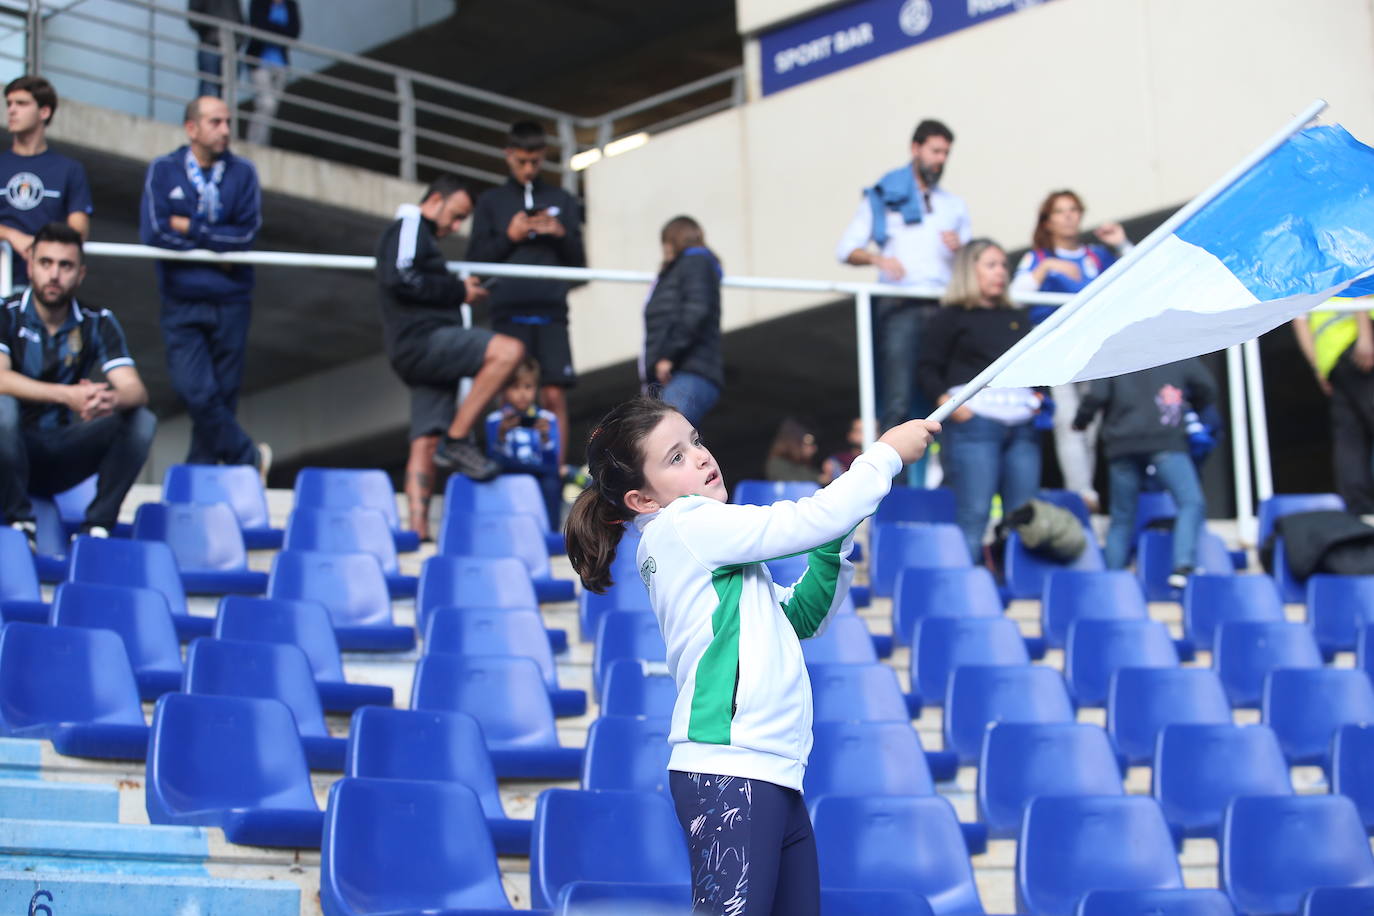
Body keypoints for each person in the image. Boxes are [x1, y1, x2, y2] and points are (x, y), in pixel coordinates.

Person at [564, 396, 939, 916]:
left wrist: (833, 544)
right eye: (674, 458)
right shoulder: (683, 526)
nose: (698, 456)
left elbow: (803, 616)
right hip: (729, 769)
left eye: (693, 441)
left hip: (773, 770)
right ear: (643, 501)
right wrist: (884, 457)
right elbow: (809, 519)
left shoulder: (716, 556)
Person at [375, 173, 525, 535]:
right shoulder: (409, 224)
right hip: (422, 341)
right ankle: (457, 440)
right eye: (455, 215)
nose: (456, 225)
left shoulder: (418, 234)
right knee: (509, 351)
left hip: (420, 350)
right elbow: (402, 275)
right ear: (435, 200)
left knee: (425, 440)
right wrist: (458, 291)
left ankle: (418, 532)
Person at [0, 223, 156, 546]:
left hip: (63, 451)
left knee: (141, 419)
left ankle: (96, 530)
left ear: (80, 274)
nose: (54, 275)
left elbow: (136, 390)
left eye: (65, 265)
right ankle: (20, 524)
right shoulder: (6, 315)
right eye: (46, 263)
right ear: (29, 266)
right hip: (12, 455)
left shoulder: (97, 320)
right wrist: (67, 395)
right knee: (2, 407)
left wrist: (109, 401)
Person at [139, 96, 267, 473]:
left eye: (228, 122)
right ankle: (248, 458)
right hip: (182, 299)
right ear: (191, 128)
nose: (226, 130)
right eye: (216, 122)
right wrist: (216, 248)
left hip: (233, 299)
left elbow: (245, 238)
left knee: (223, 396)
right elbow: (156, 232)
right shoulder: (163, 170)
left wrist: (190, 228)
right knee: (196, 390)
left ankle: (201, 475)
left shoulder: (243, 172)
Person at [836, 118, 971, 443]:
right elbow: (846, 249)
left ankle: (943, 483)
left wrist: (962, 248)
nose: (940, 159)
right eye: (935, 150)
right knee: (898, 399)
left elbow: (970, 263)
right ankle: (895, 485)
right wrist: (878, 258)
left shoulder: (953, 204)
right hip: (900, 307)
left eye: (945, 153)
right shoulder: (882, 196)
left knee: (950, 398)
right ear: (916, 148)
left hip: (945, 307)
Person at [467, 120, 585, 468]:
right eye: (522, 161)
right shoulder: (491, 202)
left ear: (544, 157)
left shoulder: (561, 199)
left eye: (535, 161)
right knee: (509, 396)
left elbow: (579, 264)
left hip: (551, 311)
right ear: (508, 156)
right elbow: (475, 262)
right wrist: (511, 235)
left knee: (553, 396)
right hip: (508, 310)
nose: (529, 169)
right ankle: (505, 469)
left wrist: (561, 233)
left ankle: (553, 473)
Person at [919, 239, 1044, 562]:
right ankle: (964, 591)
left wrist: (1040, 398)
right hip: (975, 425)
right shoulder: (951, 316)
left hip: (1022, 426)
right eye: (991, 265)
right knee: (974, 512)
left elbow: (1037, 364)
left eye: (1004, 265)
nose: (1000, 272)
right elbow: (927, 368)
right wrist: (952, 406)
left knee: (1024, 515)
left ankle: (1017, 588)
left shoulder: (1017, 316)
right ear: (969, 270)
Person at [1011, 190, 1133, 512]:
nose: (1068, 216)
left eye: (1074, 210)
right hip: (1055, 347)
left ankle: (1085, 489)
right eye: (1060, 211)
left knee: (1090, 422)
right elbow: (1015, 296)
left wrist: (1119, 242)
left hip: (1093, 345)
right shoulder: (1036, 257)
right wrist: (1047, 266)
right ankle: (1082, 493)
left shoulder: (1095, 255)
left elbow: (1136, 273)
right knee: (1066, 417)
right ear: (1047, 222)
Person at [1072, 358, 1217, 587]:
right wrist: (1190, 406)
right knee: (1191, 502)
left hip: (1123, 444)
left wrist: (1081, 420)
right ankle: (1183, 566)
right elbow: (1207, 387)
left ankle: (1112, 581)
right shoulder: (1174, 350)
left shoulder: (1118, 350)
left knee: (1122, 517)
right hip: (1165, 440)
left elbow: (1096, 396)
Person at [0, 76, 93, 290]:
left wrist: (42, 250)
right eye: (9, 104)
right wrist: (12, 236)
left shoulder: (69, 169)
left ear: (44, 112)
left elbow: (78, 230)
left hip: (46, 288)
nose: (12, 110)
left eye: (21, 104)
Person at [1293, 296, 1374, 514]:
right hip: (1356, 345)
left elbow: (1299, 321)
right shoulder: (1335, 262)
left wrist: (1319, 366)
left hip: (1332, 356)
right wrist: (1366, 337)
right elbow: (1360, 289)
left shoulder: (1304, 274)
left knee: (1350, 434)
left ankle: (1360, 510)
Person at [642, 215, 724, 425]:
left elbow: (696, 310)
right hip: (681, 371)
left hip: (689, 369)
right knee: (661, 437)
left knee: (664, 429)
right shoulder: (689, 266)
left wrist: (668, 355)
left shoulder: (695, 262)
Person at [485, 356, 561, 525]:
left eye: (528, 387)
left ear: (536, 389)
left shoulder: (547, 419)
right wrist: (502, 434)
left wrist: (545, 437)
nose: (522, 394)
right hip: (508, 470)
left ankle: (551, 529)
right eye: (515, 387)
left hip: (537, 470)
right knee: (493, 471)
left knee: (552, 479)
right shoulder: (495, 420)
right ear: (504, 390)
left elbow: (552, 459)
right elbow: (492, 457)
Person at [245, 0, 300, 147]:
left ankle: (263, 143)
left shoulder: (290, 4)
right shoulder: (259, 3)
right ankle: (254, 143)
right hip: (260, 62)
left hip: (281, 64)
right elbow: (258, 26)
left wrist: (272, 29)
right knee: (266, 104)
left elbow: (294, 32)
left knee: (272, 108)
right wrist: (281, 31)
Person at [188, 0, 245, 99]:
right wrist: (210, 31)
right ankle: (205, 113)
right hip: (210, 45)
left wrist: (239, 39)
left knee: (228, 90)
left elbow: (239, 16)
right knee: (208, 87)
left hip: (232, 47)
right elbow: (193, 19)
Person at [766, 418, 819, 483]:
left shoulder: (802, 464)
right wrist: (820, 479)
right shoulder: (776, 464)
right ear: (793, 443)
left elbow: (816, 477)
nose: (813, 448)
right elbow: (794, 483)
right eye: (806, 443)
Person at [821, 418, 863, 485]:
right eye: (860, 431)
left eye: (874, 430)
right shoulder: (835, 462)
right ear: (850, 435)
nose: (867, 434)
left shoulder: (881, 459)